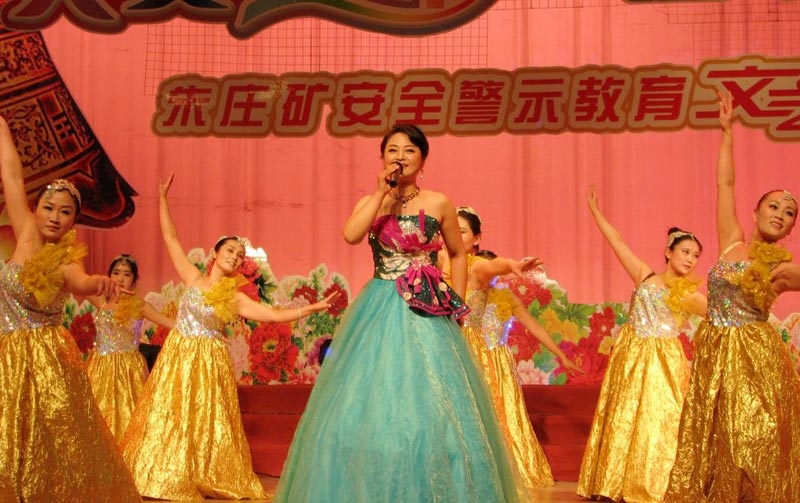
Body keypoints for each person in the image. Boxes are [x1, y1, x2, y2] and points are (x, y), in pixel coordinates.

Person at [273, 124, 525, 503]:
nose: (400, 157)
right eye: (392, 150)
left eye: (409, 150)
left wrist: (457, 302)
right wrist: (380, 193)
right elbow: (351, 235)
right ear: (382, 158)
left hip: (426, 305)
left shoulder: (439, 202)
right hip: (379, 305)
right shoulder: (373, 201)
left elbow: (458, 254)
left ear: (422, 160)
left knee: (434, 401)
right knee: (372, 397)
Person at [120, 174, 337, 501]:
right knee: (172, 412)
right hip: (178, 356)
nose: (235, 256)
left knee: (204, 418)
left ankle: (201, 471)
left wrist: (311, 308)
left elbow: (273, 315)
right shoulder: (192, 277)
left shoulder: (235, 298)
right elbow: (170, 238)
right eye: (230, 250)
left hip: (209, 362)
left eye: (239, 255)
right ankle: (169, 470)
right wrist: (162, 198)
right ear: (215, 253)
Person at [663, 93, 800, 502]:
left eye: (789, 213)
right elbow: (725, 183)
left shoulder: (782, 268)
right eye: (773, 206)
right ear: (756, 212)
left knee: (752, 435)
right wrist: (726, 133)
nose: (779, 214)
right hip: (714, 350)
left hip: (754, 356)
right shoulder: (731, 241)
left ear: (790, 229)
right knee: (710, 434)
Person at [0, 116, 140, 501]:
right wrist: (2, 126)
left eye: (65, 212)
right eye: (49, 207)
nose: (54, 216)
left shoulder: (67, 258)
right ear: (37, 208)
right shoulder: (25, 232)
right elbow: (12, 174)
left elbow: (80, 282)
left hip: (45, 360)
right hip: (5, 354)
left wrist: (99, 283)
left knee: (53, 443)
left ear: (74, 221)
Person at [577, 185, 707, 503]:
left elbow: (723, 313)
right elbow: (617, 241)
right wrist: (596, 212)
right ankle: (615, 483)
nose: (690, 259)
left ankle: (657, 485)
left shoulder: (691, 296)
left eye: (695, 255)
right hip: (633, 357)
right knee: (625, 416)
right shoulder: (645, 276)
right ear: (668, 252)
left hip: (666, 362)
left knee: (661, 418)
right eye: (685, 252)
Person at [443, 206, 583, 491]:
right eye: (453, 230)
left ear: (477, 239)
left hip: (480, 357)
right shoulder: (441, 263)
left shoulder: (475, 268)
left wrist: (511, 265)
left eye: (463, 232)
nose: (455, 236)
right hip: (450, 349)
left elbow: (493, 268)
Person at [85, 253, 175, 442]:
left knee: (130, 420)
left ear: (134, 280)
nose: (120, 278)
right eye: (116, 273)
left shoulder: (140, 306)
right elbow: (76, 283)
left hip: (129, 370)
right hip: (100, 367)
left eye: (127, 274)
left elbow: (169, 323)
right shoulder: (101, 301)